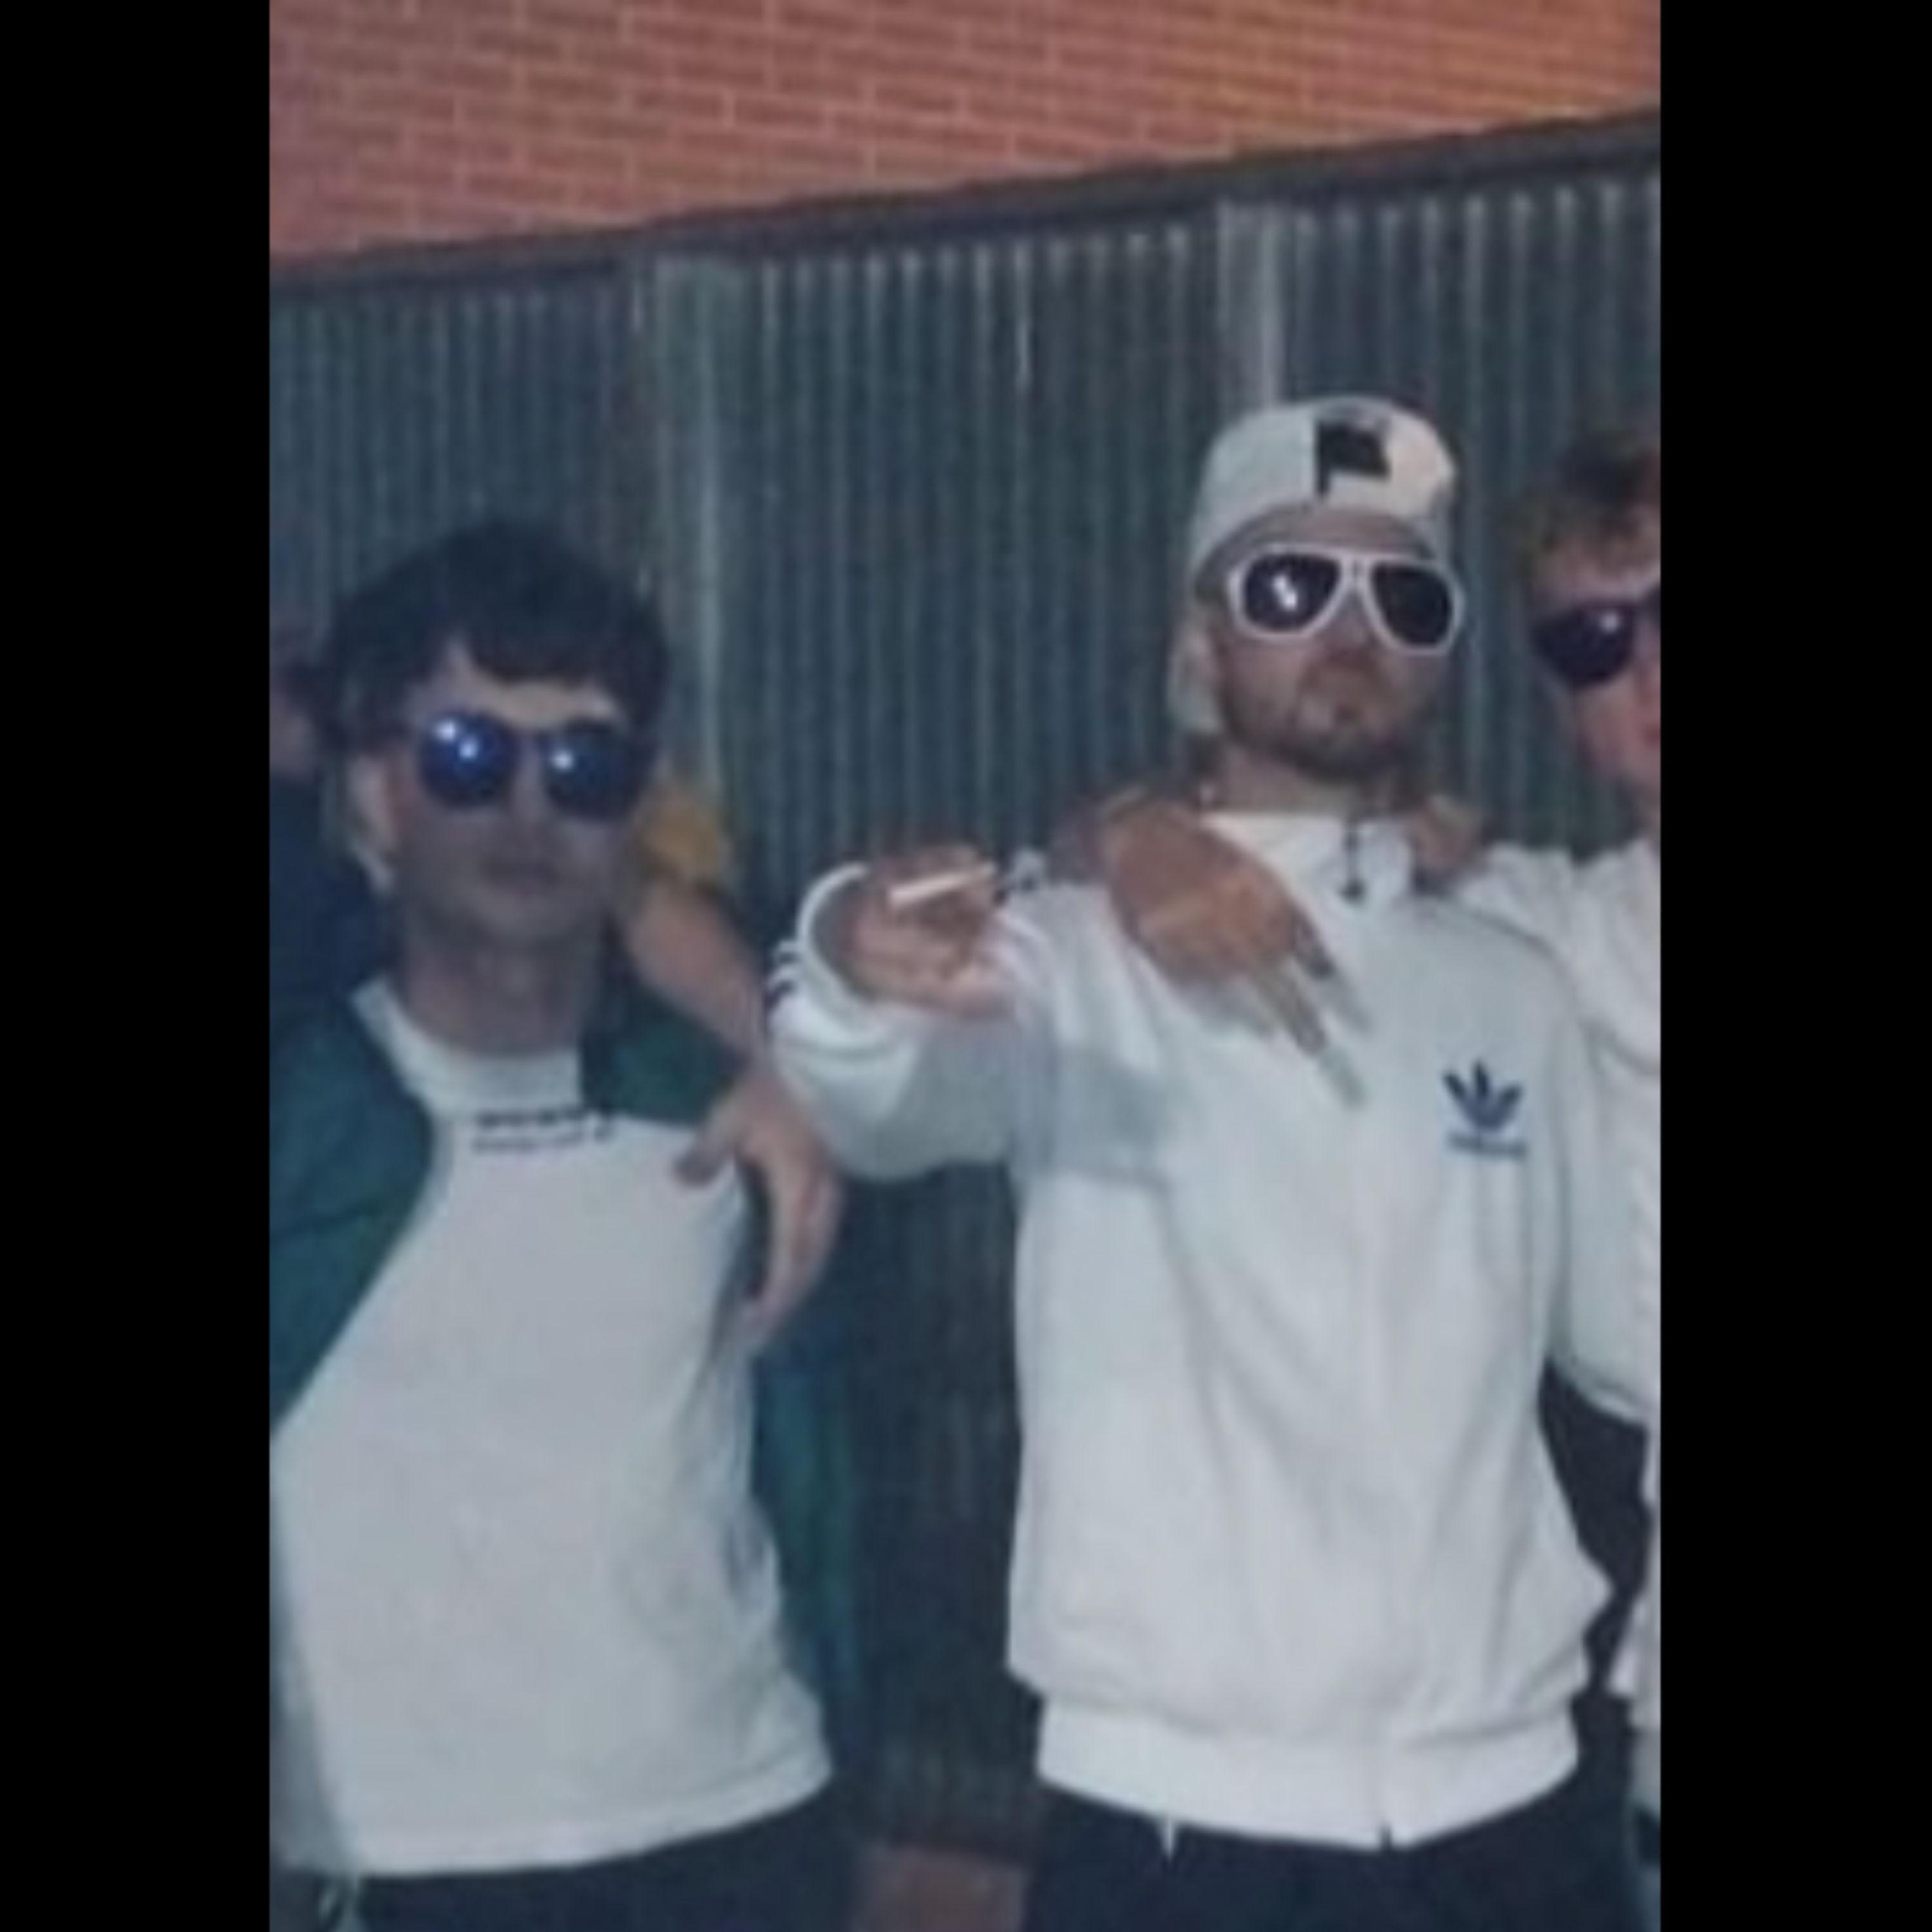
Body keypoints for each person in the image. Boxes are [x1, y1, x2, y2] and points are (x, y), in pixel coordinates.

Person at [772, 397, 1647, 1931]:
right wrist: (853, 949)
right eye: (1292, 586)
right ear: (1201, 643)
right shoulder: (1068, 957)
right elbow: (876, 1094)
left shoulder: (1511, 973)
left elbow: (1622, 1331)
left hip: (1514, 1807)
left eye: (1403, 595)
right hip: (1180, 1818)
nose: (1351, 631)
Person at [1078, 426, 1662, 1923]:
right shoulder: (1534, 941)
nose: (1649, 671)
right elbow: (1276, 867)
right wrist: (1137, 834)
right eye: (1595, 640)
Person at [270, 522, 849, 1932]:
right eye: (470, 757)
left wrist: (803, 1068)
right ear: (374, 797)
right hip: (390, 1857)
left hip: (740, 1826)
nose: (530, 811)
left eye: (586, 767)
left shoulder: (739, 1103)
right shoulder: (301, 1107)